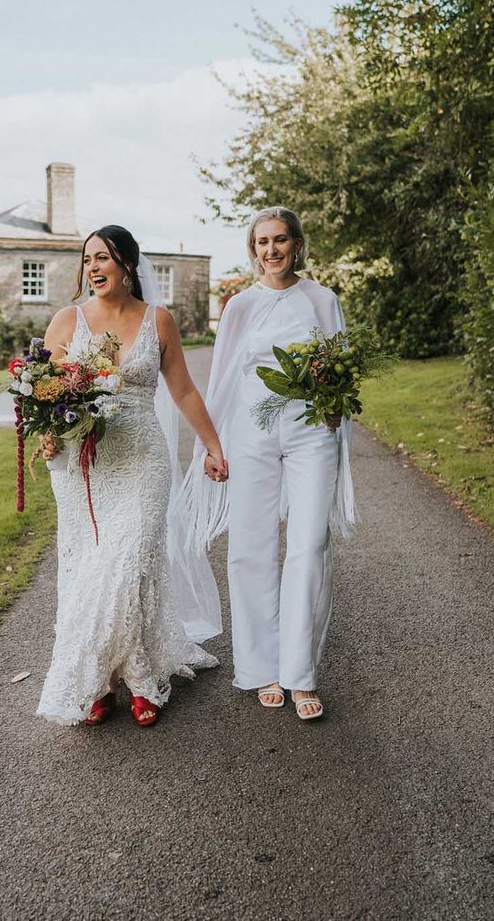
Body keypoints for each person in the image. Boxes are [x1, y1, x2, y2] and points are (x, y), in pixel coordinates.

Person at [36, 225, 227, 728]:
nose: (94, 268)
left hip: (143, 457)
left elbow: (183, 391)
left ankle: (141, 676)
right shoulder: (68, 321)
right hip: (83, 464)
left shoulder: (157, 321)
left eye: (104, 258)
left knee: (133, 563)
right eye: (87, 259)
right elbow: (42, 391)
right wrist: (48, 431)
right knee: (89, 570)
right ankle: (98, 681)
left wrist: (212, 445)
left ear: (128, 265)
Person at [181, 207, 355, 720]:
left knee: (309, 544)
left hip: (311, 435)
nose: (271, 250)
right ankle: (261, 668)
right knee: (250, 545)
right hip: (250, 434)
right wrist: (212, 448)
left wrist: (333, 412)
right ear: (252, 249)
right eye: (262, 242)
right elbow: (222, 383)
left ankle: (301, 674)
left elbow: (341, 371)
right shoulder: (239, 306)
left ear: (297, 244)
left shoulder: (323, 300)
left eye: (281, 240)